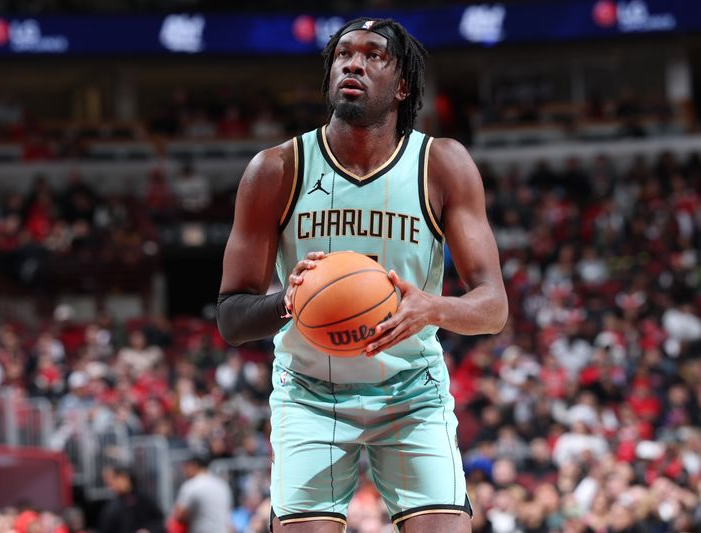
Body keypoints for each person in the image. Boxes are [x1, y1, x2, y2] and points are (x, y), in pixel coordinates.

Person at [216, 17, 507, 533]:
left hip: (411, 390)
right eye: (344, 54)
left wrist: (432, 307)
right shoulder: (277, 170)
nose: (353, 62)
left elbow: (493, 308)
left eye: (374, 55)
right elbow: (232, 320)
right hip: (309, 392)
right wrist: (291, 300)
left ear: (402, 86)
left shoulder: (441, 164)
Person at [170, 452, 232, 533]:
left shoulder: (191, 485)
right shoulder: (222, 484)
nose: (184, 471)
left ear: (194, 466)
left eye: (187, 466)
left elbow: (178, 515)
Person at [97, 465, 164, 533]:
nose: (113, 484)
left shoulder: (144, 500)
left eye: (116, 478)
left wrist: (148, 530)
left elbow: (159, 523)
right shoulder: (111, 508)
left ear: (126, 477)